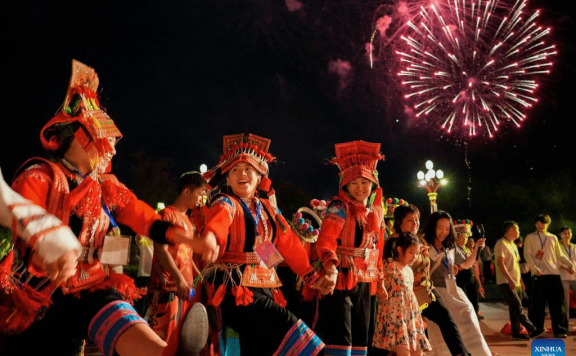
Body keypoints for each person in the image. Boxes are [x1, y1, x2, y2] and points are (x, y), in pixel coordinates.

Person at [5, 60, 210, 356]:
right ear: (78, 136)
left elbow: (142, 216)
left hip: (90, 287)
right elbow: (26, 217)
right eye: (105, 139)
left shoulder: (105, 186)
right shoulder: (39, 175)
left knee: (114, 308)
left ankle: (165, 353)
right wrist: (53, 248)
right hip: (39, 297)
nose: (111, 148)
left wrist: (187, 239)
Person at [199, 133, 324, 356]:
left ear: (259, 177)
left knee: (258, 348)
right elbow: (219, 221)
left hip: (264, 285)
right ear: (227, 179)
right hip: (233, 285)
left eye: (248, 169)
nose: (241, 174)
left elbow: (285, 244)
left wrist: (309, 275)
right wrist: (211, 237)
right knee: (297, 335)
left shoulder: (267, 209)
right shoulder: (225, 203)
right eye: (235, 170)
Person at [314, 140, 388, 356]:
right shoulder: (339, 208)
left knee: (361, 337)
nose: (360, 188)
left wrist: (380, 281)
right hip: (341, 279)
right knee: (341, 337)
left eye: (364, 183)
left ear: (372, 185)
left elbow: (379, 249)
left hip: (365, 281)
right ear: (345, 186)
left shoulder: (376, 213)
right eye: (354, 183)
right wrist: (330, 267)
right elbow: (325, 240)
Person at [380, 204, 469, 356]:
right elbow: (390, 271)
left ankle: (461, 353)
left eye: (417, 219)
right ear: (399, 222)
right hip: (406, 295)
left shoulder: (420, 239)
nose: (415, 223)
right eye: (410, 220)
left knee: (443, 319)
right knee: (413, 331)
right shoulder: (395, 242)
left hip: (426, 290)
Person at [148, 171, 208, 342]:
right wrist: (179, 279)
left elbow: (187, 256)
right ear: (186, 191)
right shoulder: (166, 215)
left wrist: (200, 277)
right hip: (166, 289)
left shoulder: (188, 221)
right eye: (199, 193)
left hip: (183, 290)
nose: (200, 199)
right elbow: (161, 251)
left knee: (178, 341)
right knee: (161, 340)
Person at [424, 211, 491, 356]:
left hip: (452, 289)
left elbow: (466, 264)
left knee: (467, 312)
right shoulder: (424, 246)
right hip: (435, 291)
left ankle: (474, 351)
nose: (444, 232)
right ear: (432, 227)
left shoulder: (451, 246)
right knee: (441, 326)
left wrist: (477, 248)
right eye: (440, 227)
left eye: (447, 228)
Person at [372, 232, 431, 356]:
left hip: (410, 316)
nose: (414, 257)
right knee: (404, 351)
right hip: (396, 317)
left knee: (417, 351)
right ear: (399, 249)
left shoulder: (408, 270)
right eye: (411, 252)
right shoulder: (390, 266)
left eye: (416, 253)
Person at [524, 214, 575, 338]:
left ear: (547, 224)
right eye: (537, 223)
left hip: (554, 274)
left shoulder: (552, 238)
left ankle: (559, 329)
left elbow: (559, 255)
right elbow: (527, 254)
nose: (540, 225)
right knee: (537, 304)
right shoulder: (530, 237)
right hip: (539, 275)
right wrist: (534, 269)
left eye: (542, 223)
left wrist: (570, 263)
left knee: (558, 303)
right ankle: (537, 328)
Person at [494, 221, 543, 340]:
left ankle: (516, 331)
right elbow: (500, 263)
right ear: (511, 230)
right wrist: (510, 279)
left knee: (514, 307)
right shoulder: (501, 244)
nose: (519, 232)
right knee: (517, 306)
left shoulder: (513, 245)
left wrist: (520, 281)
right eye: (517, 230)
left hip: (515, 281)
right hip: (506, 281)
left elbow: (516, 264)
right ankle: (532, 329)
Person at [453, 219, 484, 319]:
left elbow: (474, 265)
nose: (464, 239)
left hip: (470, 279)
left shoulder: (466, 249)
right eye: (462, 236)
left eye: (466, 236)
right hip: (460, 280)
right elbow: (459, 266)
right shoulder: (454, 249)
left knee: (473, 301)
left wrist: (478, 282)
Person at [558, 226, 576, 328]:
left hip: (575, 276)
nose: (567, 235)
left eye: (569, 233)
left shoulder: (574, 247)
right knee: (565, 303)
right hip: (563, 277)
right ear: (560, 235)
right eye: (564, 233)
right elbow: (556, 262)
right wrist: (566, 269)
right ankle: (565, 325)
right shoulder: (558, 247)